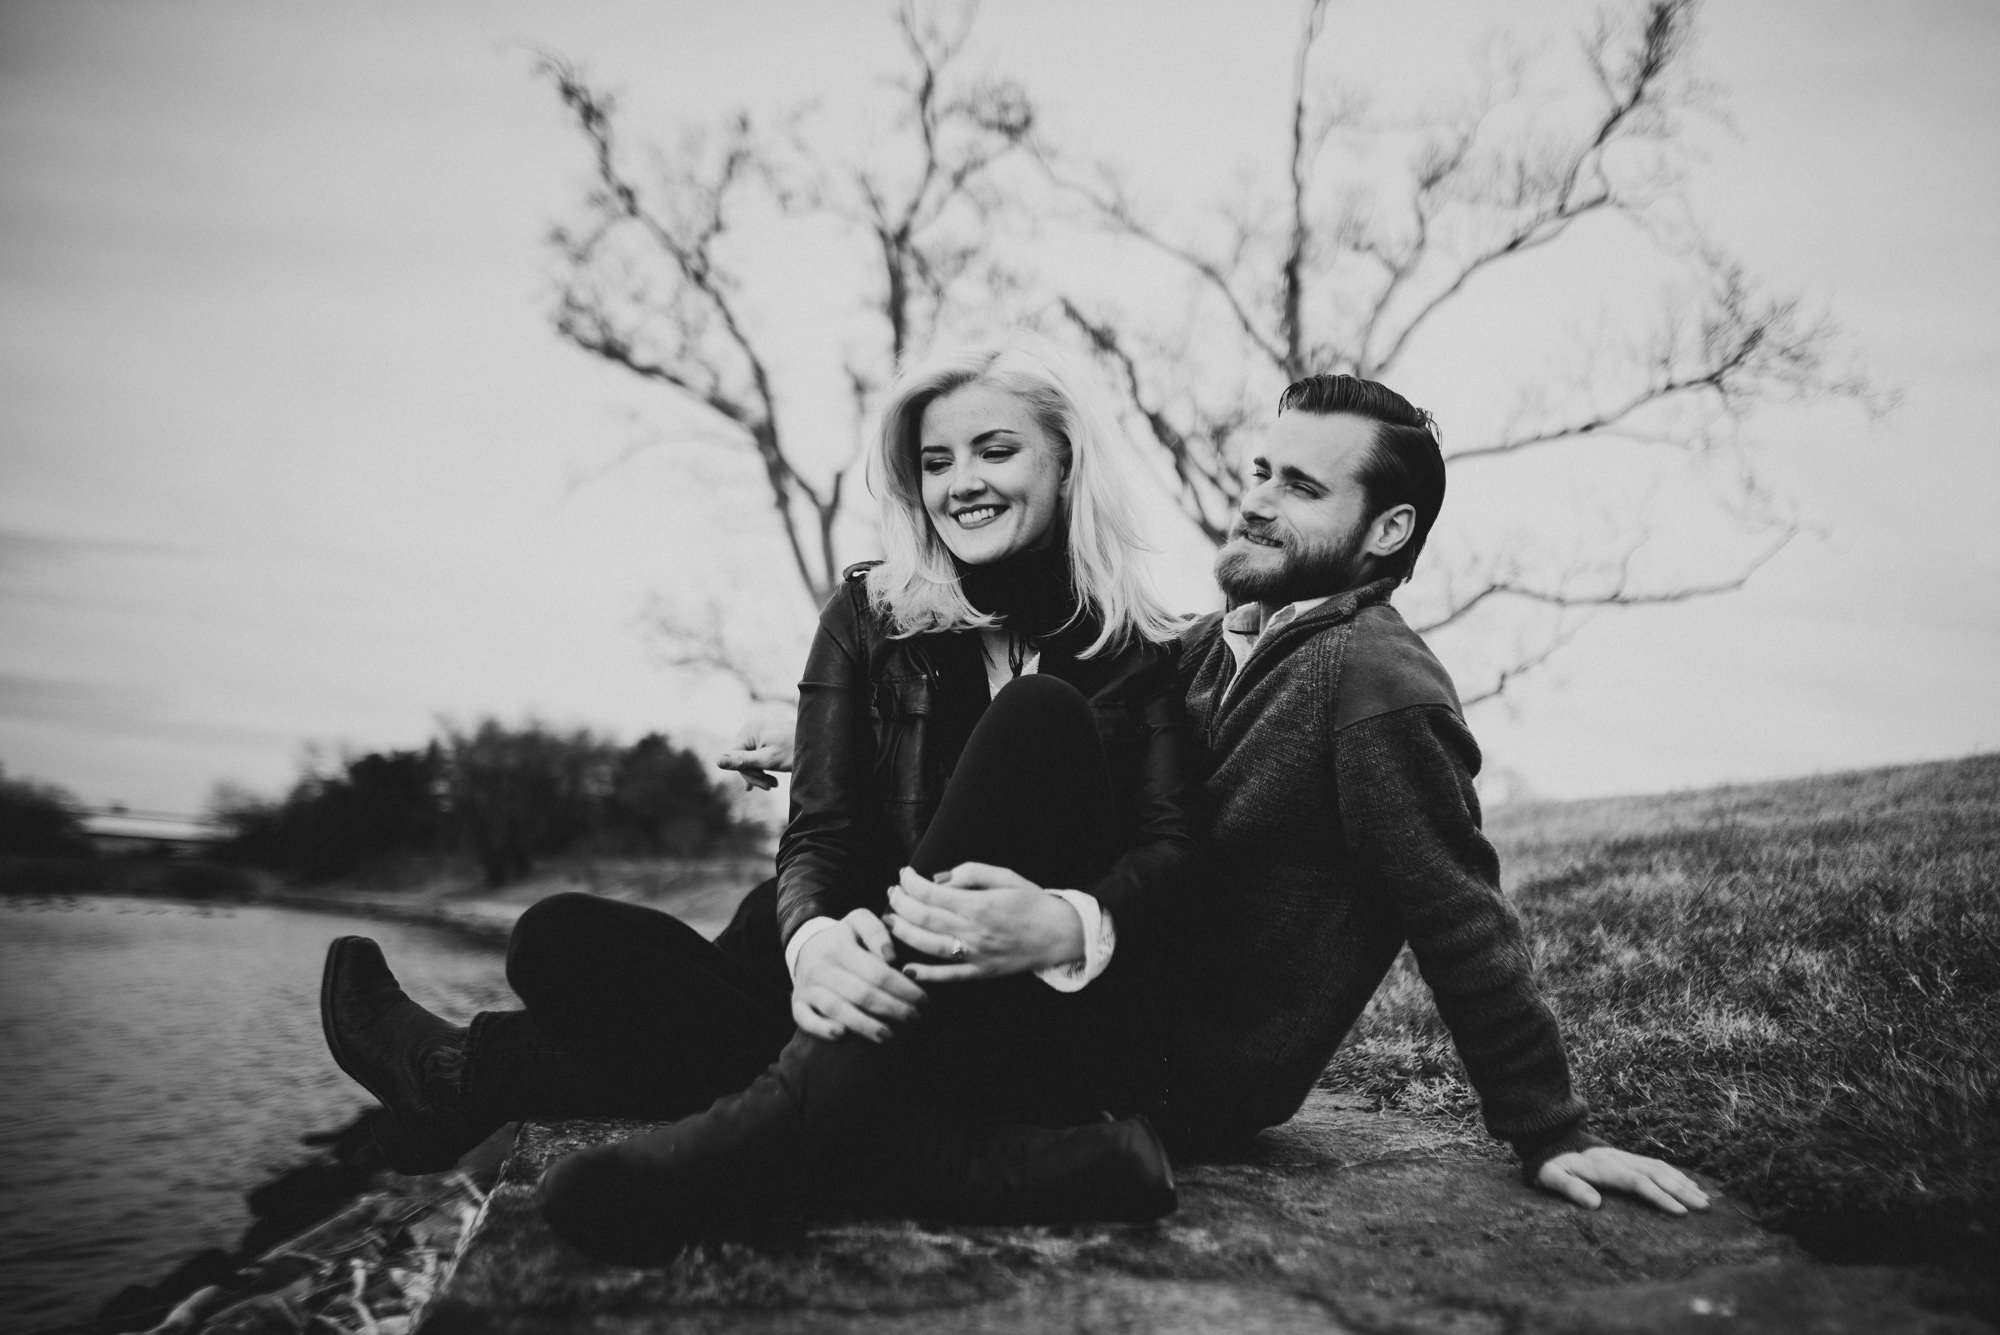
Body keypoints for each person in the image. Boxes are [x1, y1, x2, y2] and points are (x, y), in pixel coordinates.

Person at [726, 372, 1711, 1218]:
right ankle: (879, 1127)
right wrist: (830, 737)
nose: (1252, 501)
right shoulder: (1208, 645)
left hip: (1176, 1065)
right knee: (671, 962)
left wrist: (1549, 1131)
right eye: (1255, 473)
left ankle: (814, 1125)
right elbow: (1050, 759)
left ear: (1386, 528)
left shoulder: (1374, 685)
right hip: (1095, 1000)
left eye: (1298, 486)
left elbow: (1456, 909)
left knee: (1015, 747)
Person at [319, 336, 1200, 1261]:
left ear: (1065, 460)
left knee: (1038, 714)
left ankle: (513, 1086)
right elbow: (818, 831)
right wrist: (816, 944)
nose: (961, 483)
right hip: (873, 990)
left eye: (996, 449)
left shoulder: (1134, 648)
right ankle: (925, 1154)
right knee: (558, 939)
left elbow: (1174, 850)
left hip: (1023, 1019)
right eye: (937, 461)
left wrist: (1068, 925)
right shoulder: (870, 612)